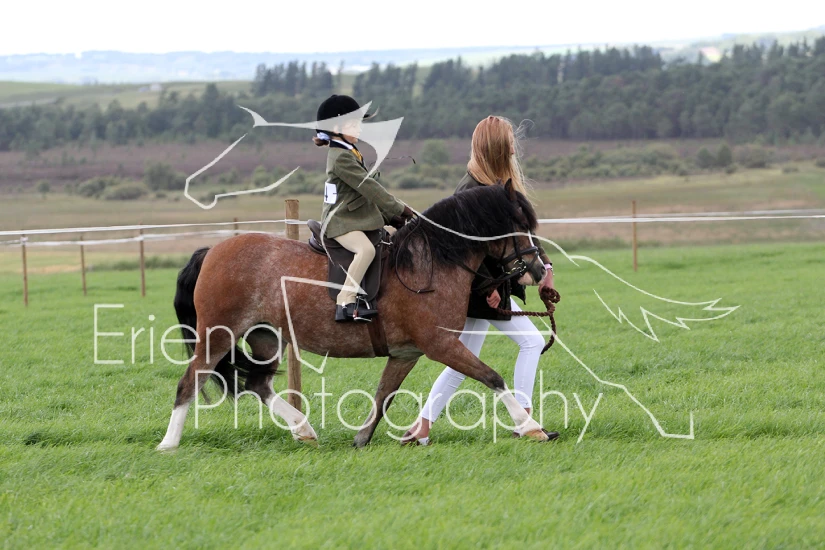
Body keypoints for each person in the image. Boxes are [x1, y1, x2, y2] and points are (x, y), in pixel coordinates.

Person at [403, 115, 558, 445]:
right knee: (531, 342)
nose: (515, 146)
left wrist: (546, 268)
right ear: (498, 147)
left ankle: (421, 428)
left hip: (490, 289)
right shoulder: (471, 190)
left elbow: (521, 237)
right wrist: (491, 287)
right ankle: (525, 421)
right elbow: (465, 249)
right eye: (510, 141)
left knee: (462, 362)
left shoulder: (501, 185)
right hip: (481, 291)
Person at [314, 95, 414, 322]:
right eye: (353, 125)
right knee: (366, 250)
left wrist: (389, 216)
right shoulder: (341, 158)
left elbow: (363, 194)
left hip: (353, 216)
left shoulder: (349, 151)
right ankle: (345, 301)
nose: (359, 129)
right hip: (340, 221)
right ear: (336, 128)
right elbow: (369, 188)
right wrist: (399, 208)